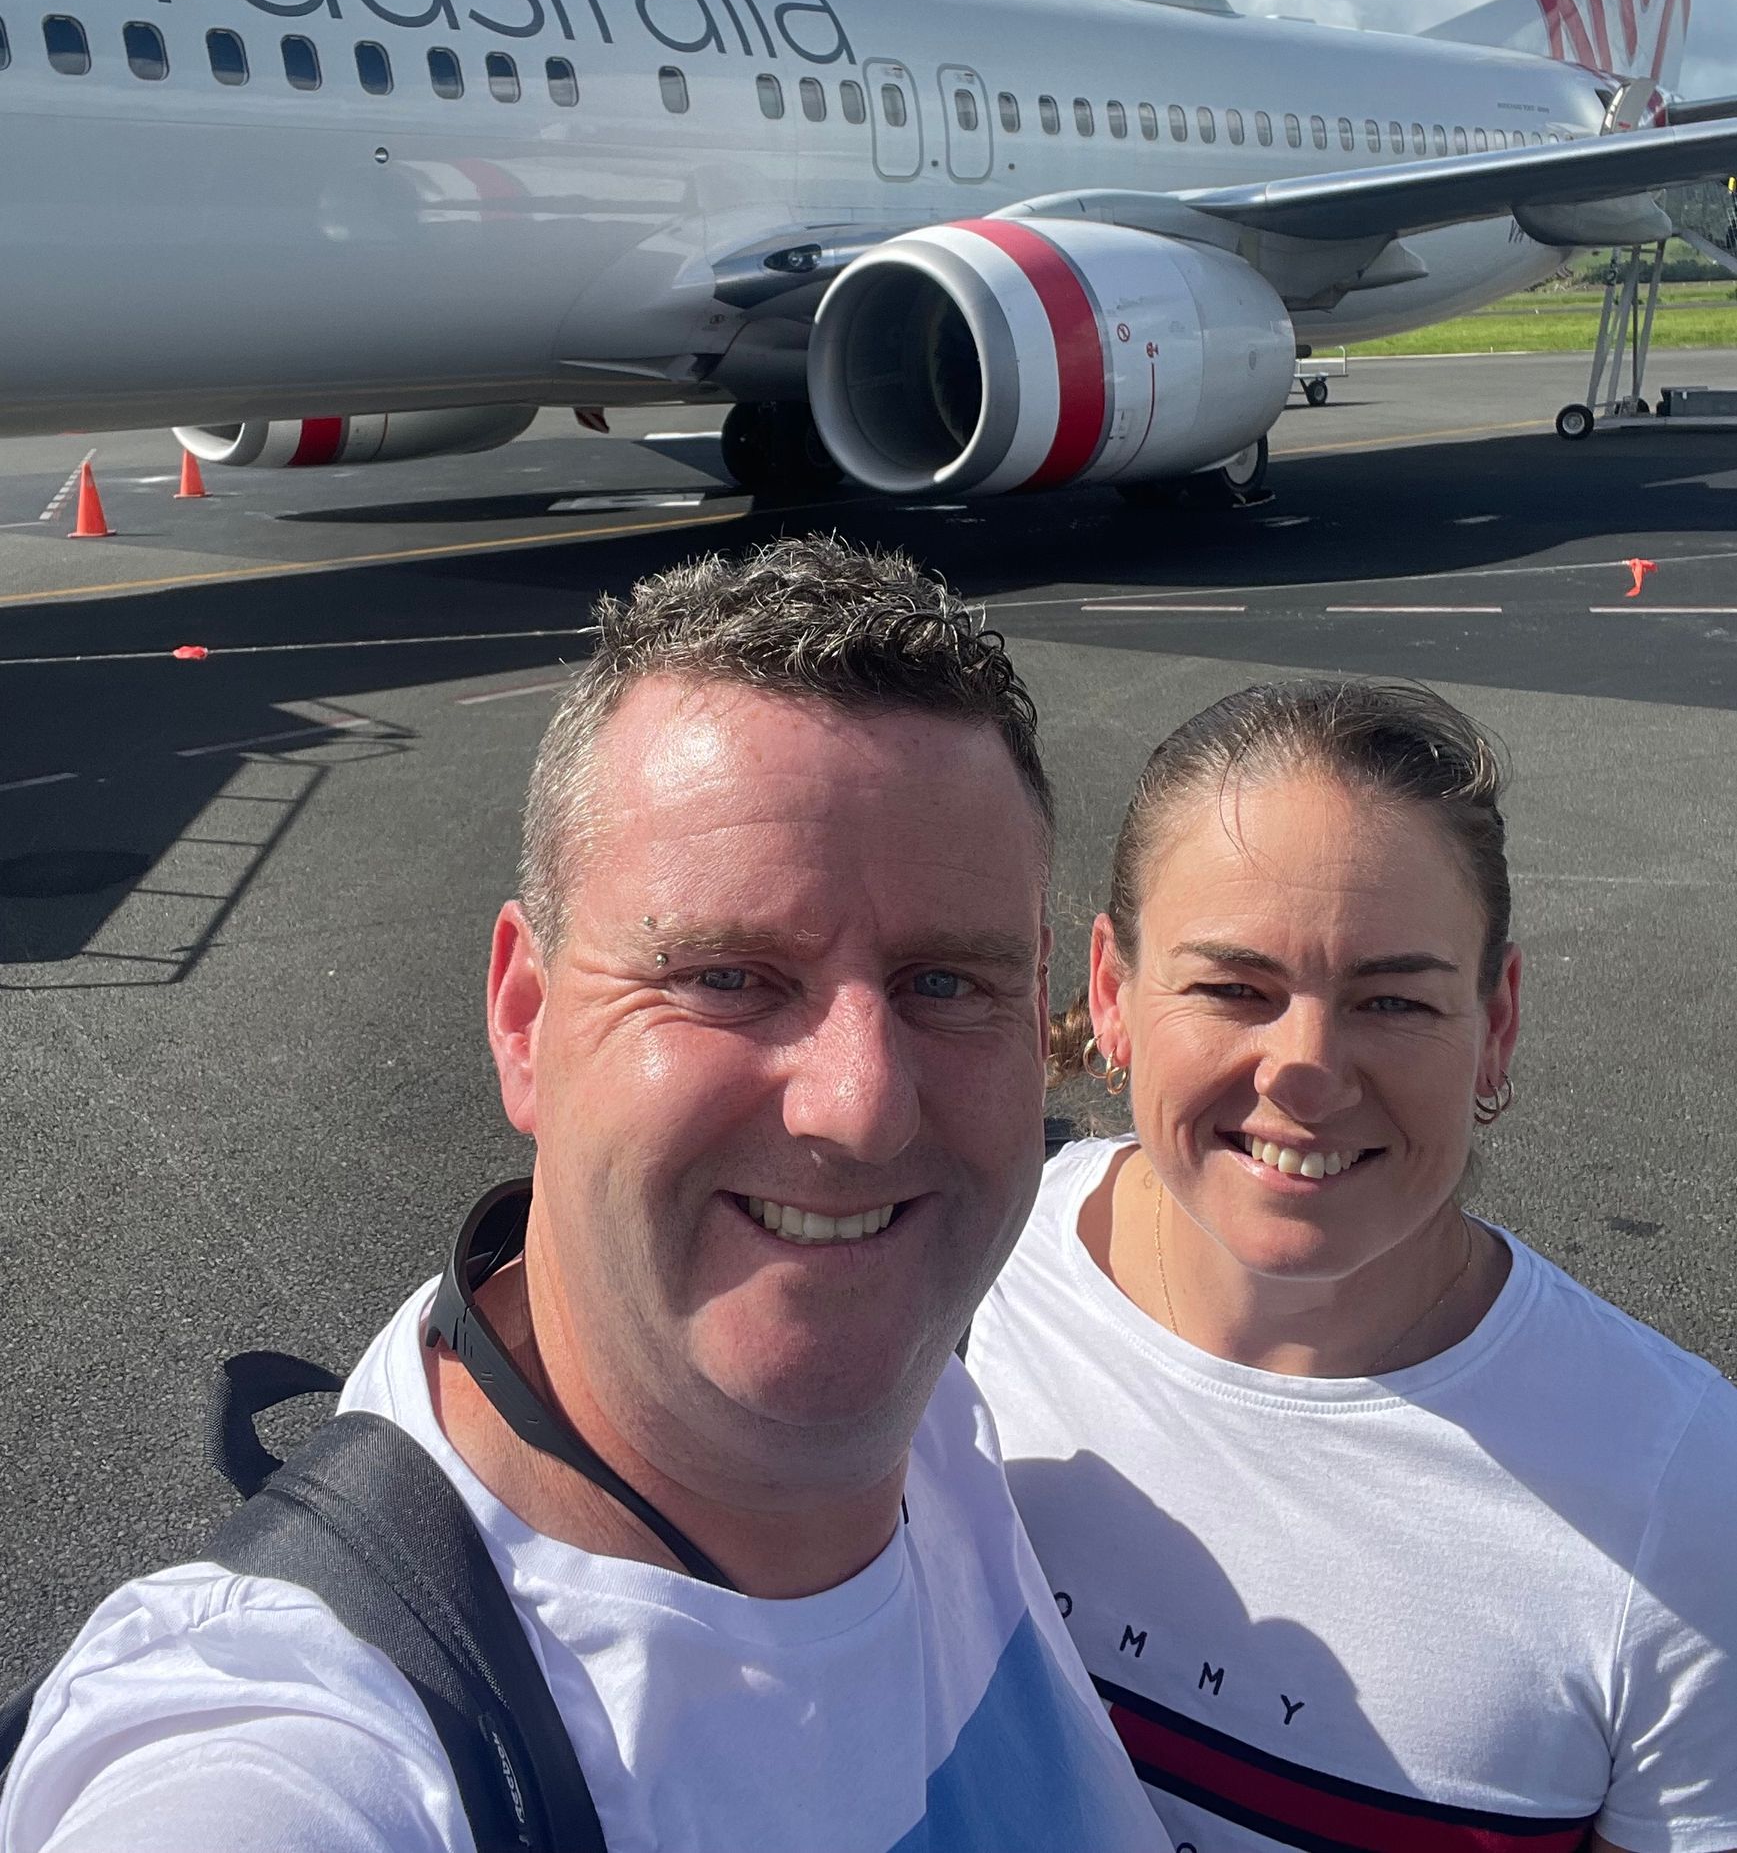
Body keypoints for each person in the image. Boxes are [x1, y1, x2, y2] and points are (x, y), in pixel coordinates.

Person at [1, 536, 1162, 1853]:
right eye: (726, 975)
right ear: (523, 1016)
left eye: (948, 982)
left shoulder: (941, 1398)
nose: (862, 1106)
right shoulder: (317, 1741)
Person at [967, 678, 1737, 1853]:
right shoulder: (957, 1283)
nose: (1309, 1069)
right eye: (1235, 988)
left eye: (1393, 999)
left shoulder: (1678, 1497)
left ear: (1500, 1021)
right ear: (1111, 994)